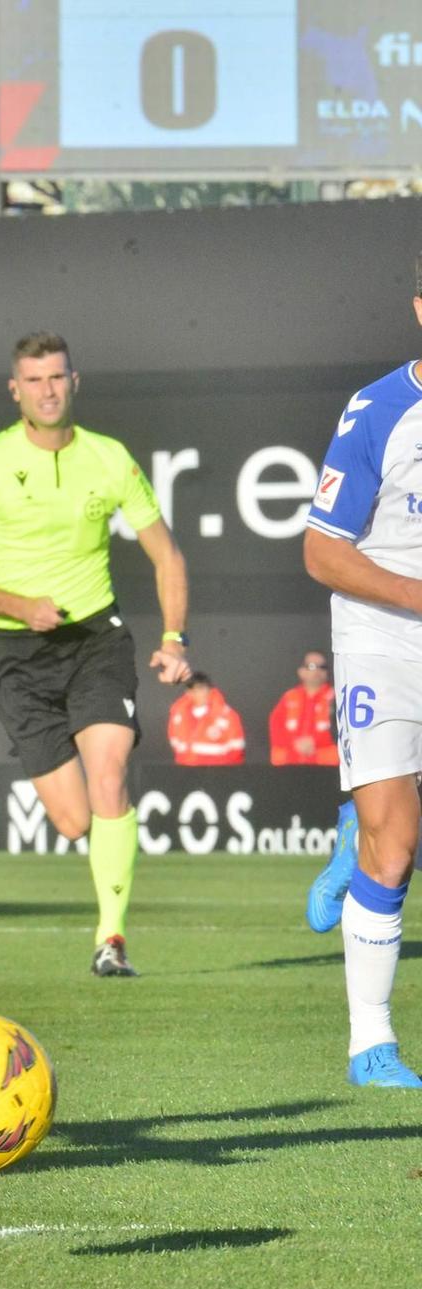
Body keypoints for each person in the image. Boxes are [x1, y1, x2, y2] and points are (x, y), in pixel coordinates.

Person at [0, 331, 192, 979]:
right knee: (75, 819)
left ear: (76, 382)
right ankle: (106, 903)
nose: (48, 390)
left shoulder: (110, 459)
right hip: (18, 653)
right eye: (35, 379)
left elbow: (167, 555)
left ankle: (112, 938)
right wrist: (20, 606)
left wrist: (172, 638)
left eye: (57, 377)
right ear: (15, 389)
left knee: (110, 778)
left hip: (96, 639)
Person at [298, 267, 422, 1087]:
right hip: (385, 636)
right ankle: (369, 1043)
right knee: (398, 837)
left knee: (392, 826)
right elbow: (322, 551)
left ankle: (360, 825)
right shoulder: (381, 409)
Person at [269, 649, 340, 766]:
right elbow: (276, 726)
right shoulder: (289, 697)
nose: (317, 671)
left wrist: (315, 742)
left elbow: (341, 730)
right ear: (301, 671)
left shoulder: (335, 697)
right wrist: (294, 743)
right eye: (311, 666)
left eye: (322, 667)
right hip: (289, 765)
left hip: (325, 766)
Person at [166, 673, 245, 766]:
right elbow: (174, 739)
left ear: (210, 690)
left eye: (202, 689)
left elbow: (237, 747)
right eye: (194, 690)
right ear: (188, 692)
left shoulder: (227, 715)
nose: (199, 694)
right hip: (186, 768)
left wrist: (225, 769)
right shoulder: (178, 715)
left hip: (218, 770)